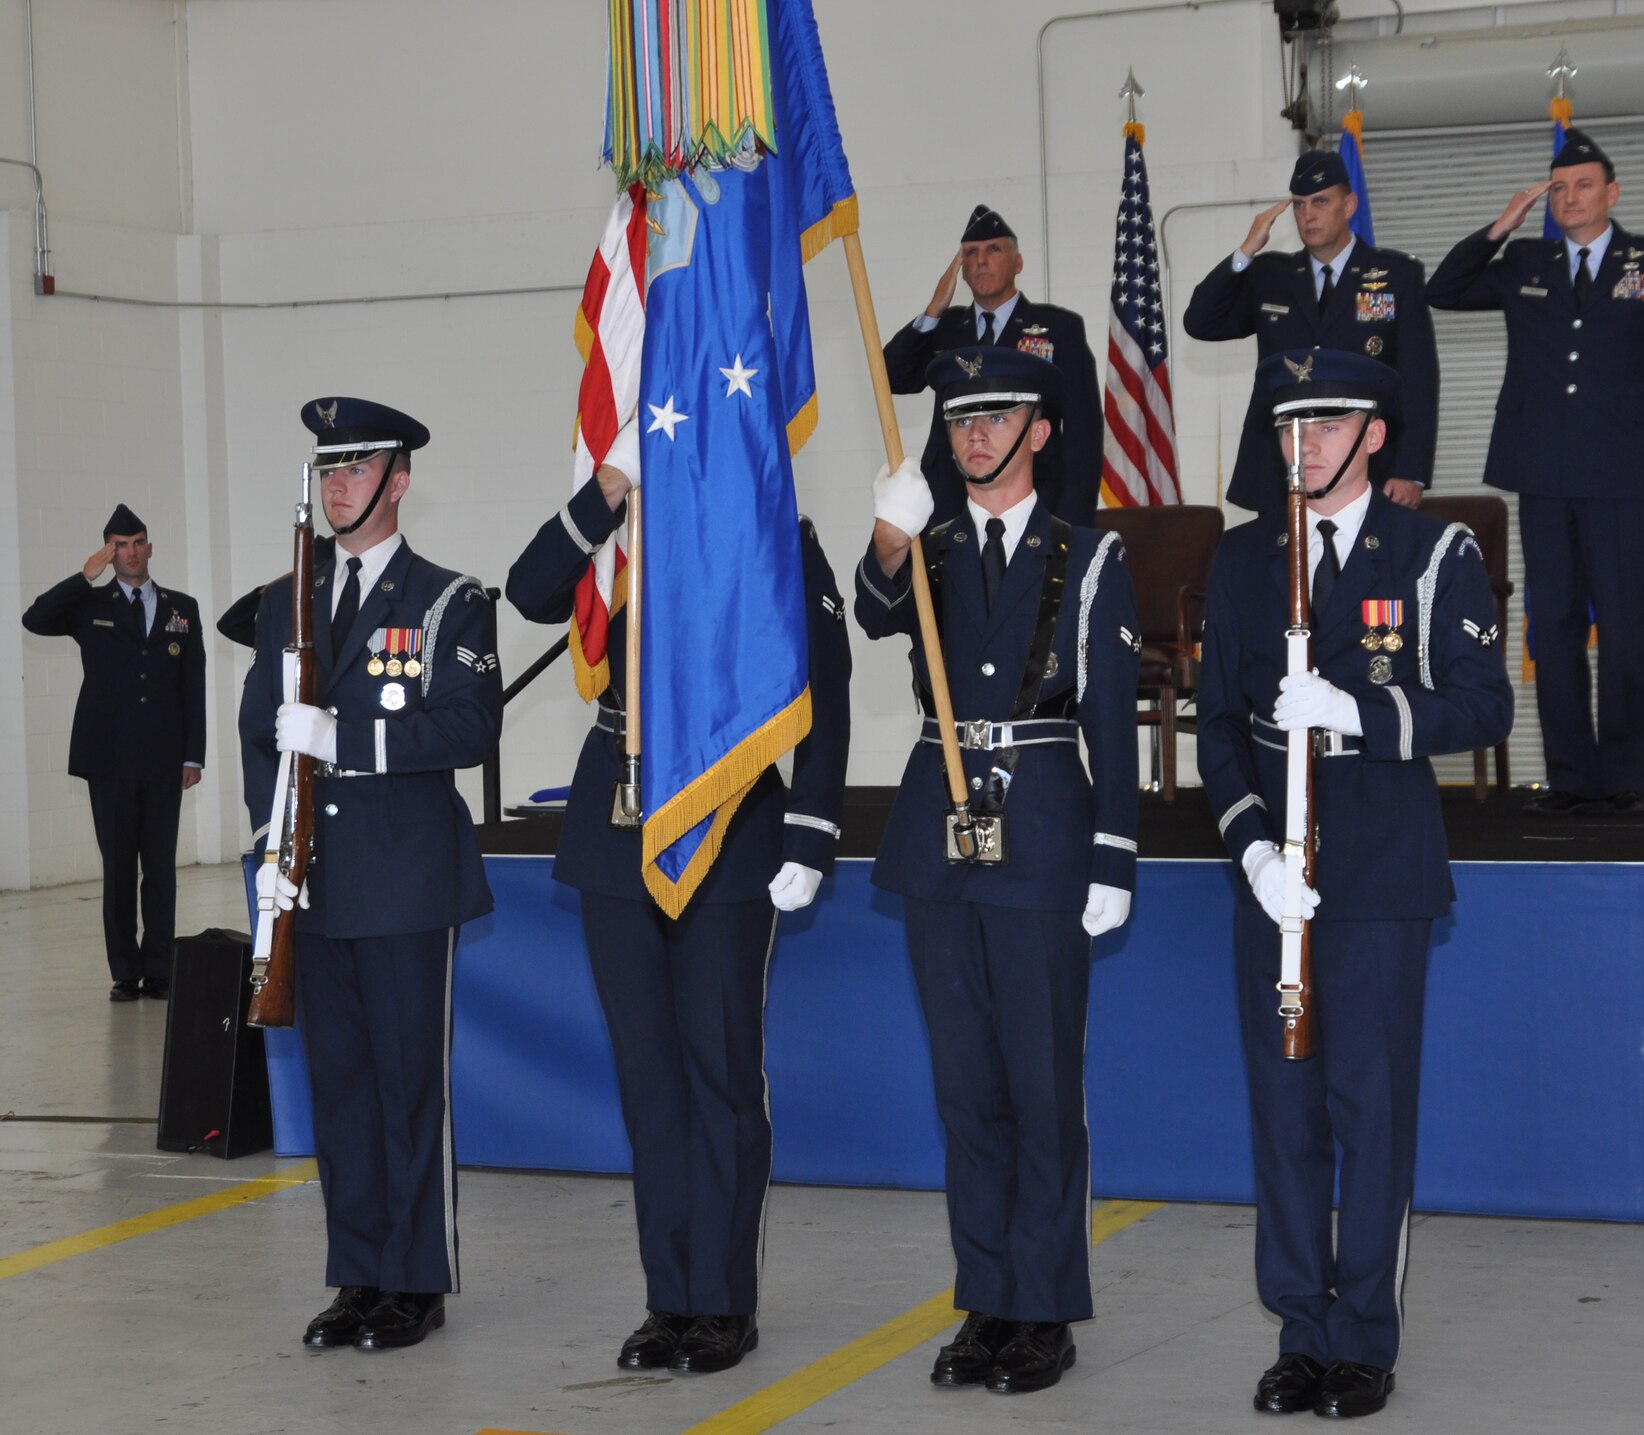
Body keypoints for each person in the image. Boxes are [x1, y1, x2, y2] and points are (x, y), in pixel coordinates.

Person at [1196, 350, 1512, 1420]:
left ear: (1373, 432)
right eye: (1290, 427)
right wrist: (1251, 851)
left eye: (1327, 424)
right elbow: (1213, 730)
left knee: (1366, 1112)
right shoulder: (1243, 561)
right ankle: (1299, 1327)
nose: (1306, 445)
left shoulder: (1430, 552)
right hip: (1273, 877)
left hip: (1375, 865)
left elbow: (1483, 707)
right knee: (1282, 1111)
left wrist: (1354, 714)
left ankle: (1362, 1337)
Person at [503, 431, 851, 1376]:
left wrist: (813, 827)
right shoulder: (623, 530)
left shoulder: (781, 535)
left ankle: (724, 1300)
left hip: (730, 818)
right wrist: (606, 491)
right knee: (649, 1077)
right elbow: (529, 591)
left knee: (722, 1073)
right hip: (618, 815)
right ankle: (671, 1295)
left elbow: (828, 679)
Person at [855, 348, 1138, 1395]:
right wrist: (886, 537)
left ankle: (1043, 1305)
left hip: (1042, 834)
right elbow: (872, 612)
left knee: (1040, 1085)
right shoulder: (924, 548)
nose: (975, 434)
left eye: (998, 415)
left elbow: (1108, 713)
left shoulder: (1088, 555)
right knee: (965, 1092)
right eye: (961, 418)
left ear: (1040, 429)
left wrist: (1115, 850)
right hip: (938, 832)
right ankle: (984, 1299)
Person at [239, 397, 501, 1352]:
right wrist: (269, 853)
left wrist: (347, 738)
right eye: (328, 469)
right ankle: (356, 1273)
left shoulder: (448, 598)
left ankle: (415, 1280)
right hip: (315, 880)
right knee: (338, 1085)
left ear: (398, 480)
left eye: (357, 467)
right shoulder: (283, 602)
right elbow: (253, 734)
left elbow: (471, 725)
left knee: (405, 1085)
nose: (338, 482)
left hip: (403, 879)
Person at [1426, 129, 1644, 816]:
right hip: (1544, 469)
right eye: (1560, 188)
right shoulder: (1526, 260)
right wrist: (1500, 225)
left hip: (1624, 472)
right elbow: (1444, 288)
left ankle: (1627, 776)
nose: (1571, 198)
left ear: (1612, 191)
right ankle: (1571, 776)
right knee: (1552, 626)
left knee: (1624, 628)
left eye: (1584, 185)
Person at [1182, 151, 1439, 516]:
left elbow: (1418, 379)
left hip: (1367, 461)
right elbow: (1200, 322)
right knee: (1280, 571)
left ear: (1349, 205)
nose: (1308, 215)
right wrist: (1245, 251)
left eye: (1321, 202)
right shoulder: (1271, 276)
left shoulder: (1396, 276)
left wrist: (1411, 470)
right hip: (1280, 464)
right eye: (1299, 205)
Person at [22, 506, 205, 1001]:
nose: (130, 552)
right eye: (120, 545)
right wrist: (85, 575)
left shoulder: (180, 608)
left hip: (165, 759)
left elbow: (193, 686)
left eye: (138, 542)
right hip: (109, 758)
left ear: (150, 547)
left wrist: (194, 755)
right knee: (120, 867)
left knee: (161, 868)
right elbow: (34, 618)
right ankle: (125, 970)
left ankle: (160, 968)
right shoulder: (89, 603)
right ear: (109, 550)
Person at [882, 205, 1104, 528]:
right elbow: (890, 375)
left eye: (993, 249)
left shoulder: (1058, 327)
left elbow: (1083, 433)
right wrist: (933, 309)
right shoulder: (945, 328)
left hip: (1035, 500)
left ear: (1018, 263)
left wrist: (1070, 525)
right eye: (970, 253)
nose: (981, 260)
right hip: (950, 505)